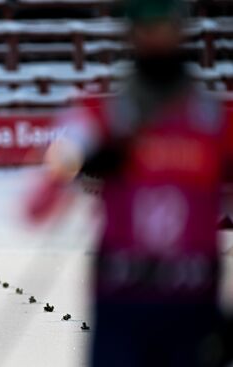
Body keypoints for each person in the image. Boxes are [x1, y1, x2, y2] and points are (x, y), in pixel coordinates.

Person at [26, 0, 233, 366]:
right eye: (145, 30)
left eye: (164, 28)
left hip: (194, 306)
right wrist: (80, 161)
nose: (155, 39)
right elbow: (37, 205)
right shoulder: (101, 115)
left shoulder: (214, 120)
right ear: (131, 36)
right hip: (122, 304)